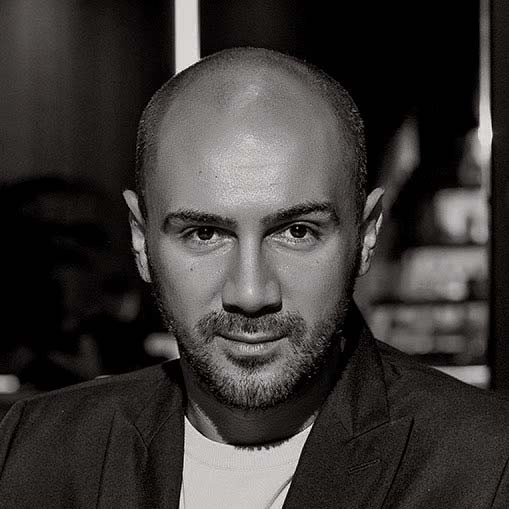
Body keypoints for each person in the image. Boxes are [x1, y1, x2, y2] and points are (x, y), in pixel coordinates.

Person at [0, 47, 508, 509]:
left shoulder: (484, 466)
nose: (249, 293)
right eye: (204, 234)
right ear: (140, 239)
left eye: (297, 232)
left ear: (367, 234)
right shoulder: (36, 453)